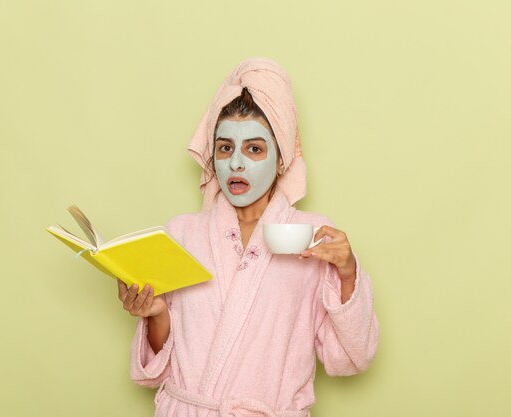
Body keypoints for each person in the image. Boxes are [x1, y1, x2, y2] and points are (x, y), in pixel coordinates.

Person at [117, 58, 379, 417]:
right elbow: (157, 369)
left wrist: (348, 274)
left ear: (282, 159)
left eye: (254, 149)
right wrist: (155, 313)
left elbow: (351, 357)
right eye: (225, 148)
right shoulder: (182, 234)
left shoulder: (314, 239)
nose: (236, 164)